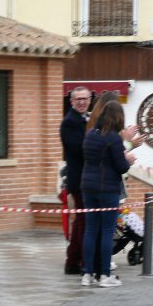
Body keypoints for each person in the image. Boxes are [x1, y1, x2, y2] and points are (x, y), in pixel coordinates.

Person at [81, 100, 136, 287]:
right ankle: (105, 275)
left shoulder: (90, 134)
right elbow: (121, 167)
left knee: (90, 230)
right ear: (118, 117)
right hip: (108, 189)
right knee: (106, 231)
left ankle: (87, 274)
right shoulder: (112, 138)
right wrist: (128, 160)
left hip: (88, 187)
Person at [60, 86, 92, 274]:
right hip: (79, 180)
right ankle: (75, 261)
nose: (81, 102)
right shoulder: (69, 122)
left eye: (84, 98)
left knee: (83, 220)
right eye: (78, 99)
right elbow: (79, 149)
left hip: (87, 178)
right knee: (82, 221)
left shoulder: (87, 119)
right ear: (71, 102)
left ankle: (75, 260)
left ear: (89, 100)